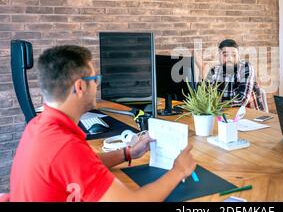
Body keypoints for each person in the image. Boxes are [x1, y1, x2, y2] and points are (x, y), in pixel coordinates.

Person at [9, 45, 196, 202]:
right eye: (95, 79)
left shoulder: (38, 125)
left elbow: (84, 164)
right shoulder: (65, 147)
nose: (97, 85)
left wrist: (128, 152)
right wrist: (179, 171)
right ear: (80, 86)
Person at [205, 39, 267, 112]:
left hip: (251, 116)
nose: (230, 59)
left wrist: (215, 104)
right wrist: (202, 71)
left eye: (234, 55)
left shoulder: (246, 67)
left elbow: (242, 100)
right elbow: (205, 97)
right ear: (219, 56)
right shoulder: (214, 70)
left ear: (238, 55)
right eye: (225, 55)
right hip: (226, 115)